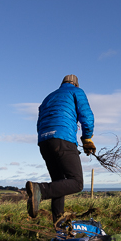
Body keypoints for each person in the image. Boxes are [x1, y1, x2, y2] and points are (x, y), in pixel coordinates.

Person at [26, 75, 96, 224]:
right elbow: (87, 116)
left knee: (59, 183)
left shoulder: (48, 98)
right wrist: (87, 138)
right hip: (63, 139)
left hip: (44, 142)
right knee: (76, 182)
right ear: (75, 84)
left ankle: (59, 226)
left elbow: (39, 123)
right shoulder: (76, 92)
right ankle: (40, 190)